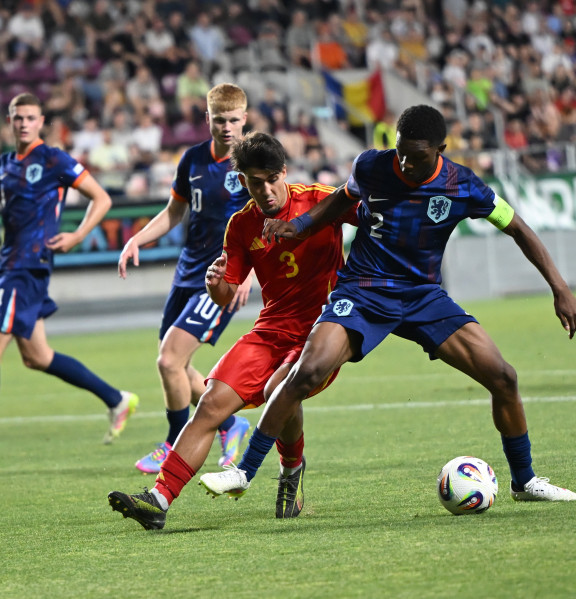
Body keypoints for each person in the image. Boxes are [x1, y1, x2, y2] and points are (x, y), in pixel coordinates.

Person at [200, 104, 576, 508]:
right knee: (306, 371)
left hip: (422, 296)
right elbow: (337, 202)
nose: (404, 162)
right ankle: (244, 471)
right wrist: (296, 226)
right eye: (399, 150)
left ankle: (523, 481)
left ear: (440, 149)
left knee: (503, 378)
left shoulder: (462, 184)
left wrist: (560, 288)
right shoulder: (371, 166)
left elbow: (518, 228)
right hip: (363, 290)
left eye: (416, 155)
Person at [108, 132, 356, 530]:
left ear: (284, 173)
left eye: (272, 178)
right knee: (210, 403)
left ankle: (291, 469)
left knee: (282, 387)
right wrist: (215, 284)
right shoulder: (241, 226)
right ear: (243, 182)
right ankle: (157, 500)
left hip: (323, 330)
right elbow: (226, 295)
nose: (266, 189)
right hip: (270, 330)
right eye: (255, 183)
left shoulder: (320, 199)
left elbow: (374, 216)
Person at [117, 83, 252, 474]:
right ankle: (230, 423)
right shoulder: (192, 159)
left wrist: (246, 276)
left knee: (169, 360)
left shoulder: (253, 161)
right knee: (175, 365)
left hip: (220, 277)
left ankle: (174, 445)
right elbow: (174, 212)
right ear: (207, 119)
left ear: (244, 119)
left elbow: (269, 221)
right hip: (186, 274)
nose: (227, 128)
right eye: (220, 120)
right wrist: (136, 239)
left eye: (234, 120)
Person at [0, 93, 138, 443]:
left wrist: (77, 235)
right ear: (10, 120)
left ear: (42, 121)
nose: (24, 124)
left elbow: (102, 197)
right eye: (18, 118)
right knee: (36, 356)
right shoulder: (5, 164)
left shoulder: (52, 158)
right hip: (10, 261)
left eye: (31, 117)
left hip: (28, 266)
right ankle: (116, 399)